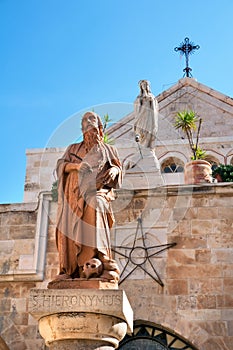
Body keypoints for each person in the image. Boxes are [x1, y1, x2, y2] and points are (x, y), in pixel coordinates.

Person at [55, 111, 122, 282]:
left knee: (97, 203)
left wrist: (114, 170)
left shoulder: (109, 150)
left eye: (92, 126)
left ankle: (101, 257)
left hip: (98, 192)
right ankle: (71, 268)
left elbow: (118, 168)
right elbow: (60, 166)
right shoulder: (73, 149)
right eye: (85, 126)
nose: (89, 130)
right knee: (69, 218)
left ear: (100, 129)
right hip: (73, 193)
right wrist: (76, 167)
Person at [134, 80, 159, 149]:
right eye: (142, 85)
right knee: (141, 130)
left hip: (149, 116)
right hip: (141, 115)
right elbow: (136, 106)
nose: (144, 86)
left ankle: (147, 146)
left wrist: (150, 100)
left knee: (149, 130)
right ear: (141, 87)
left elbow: (155, 106)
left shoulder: (152, 96)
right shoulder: (139, 97)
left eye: (145, 85)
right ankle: (142, 146)